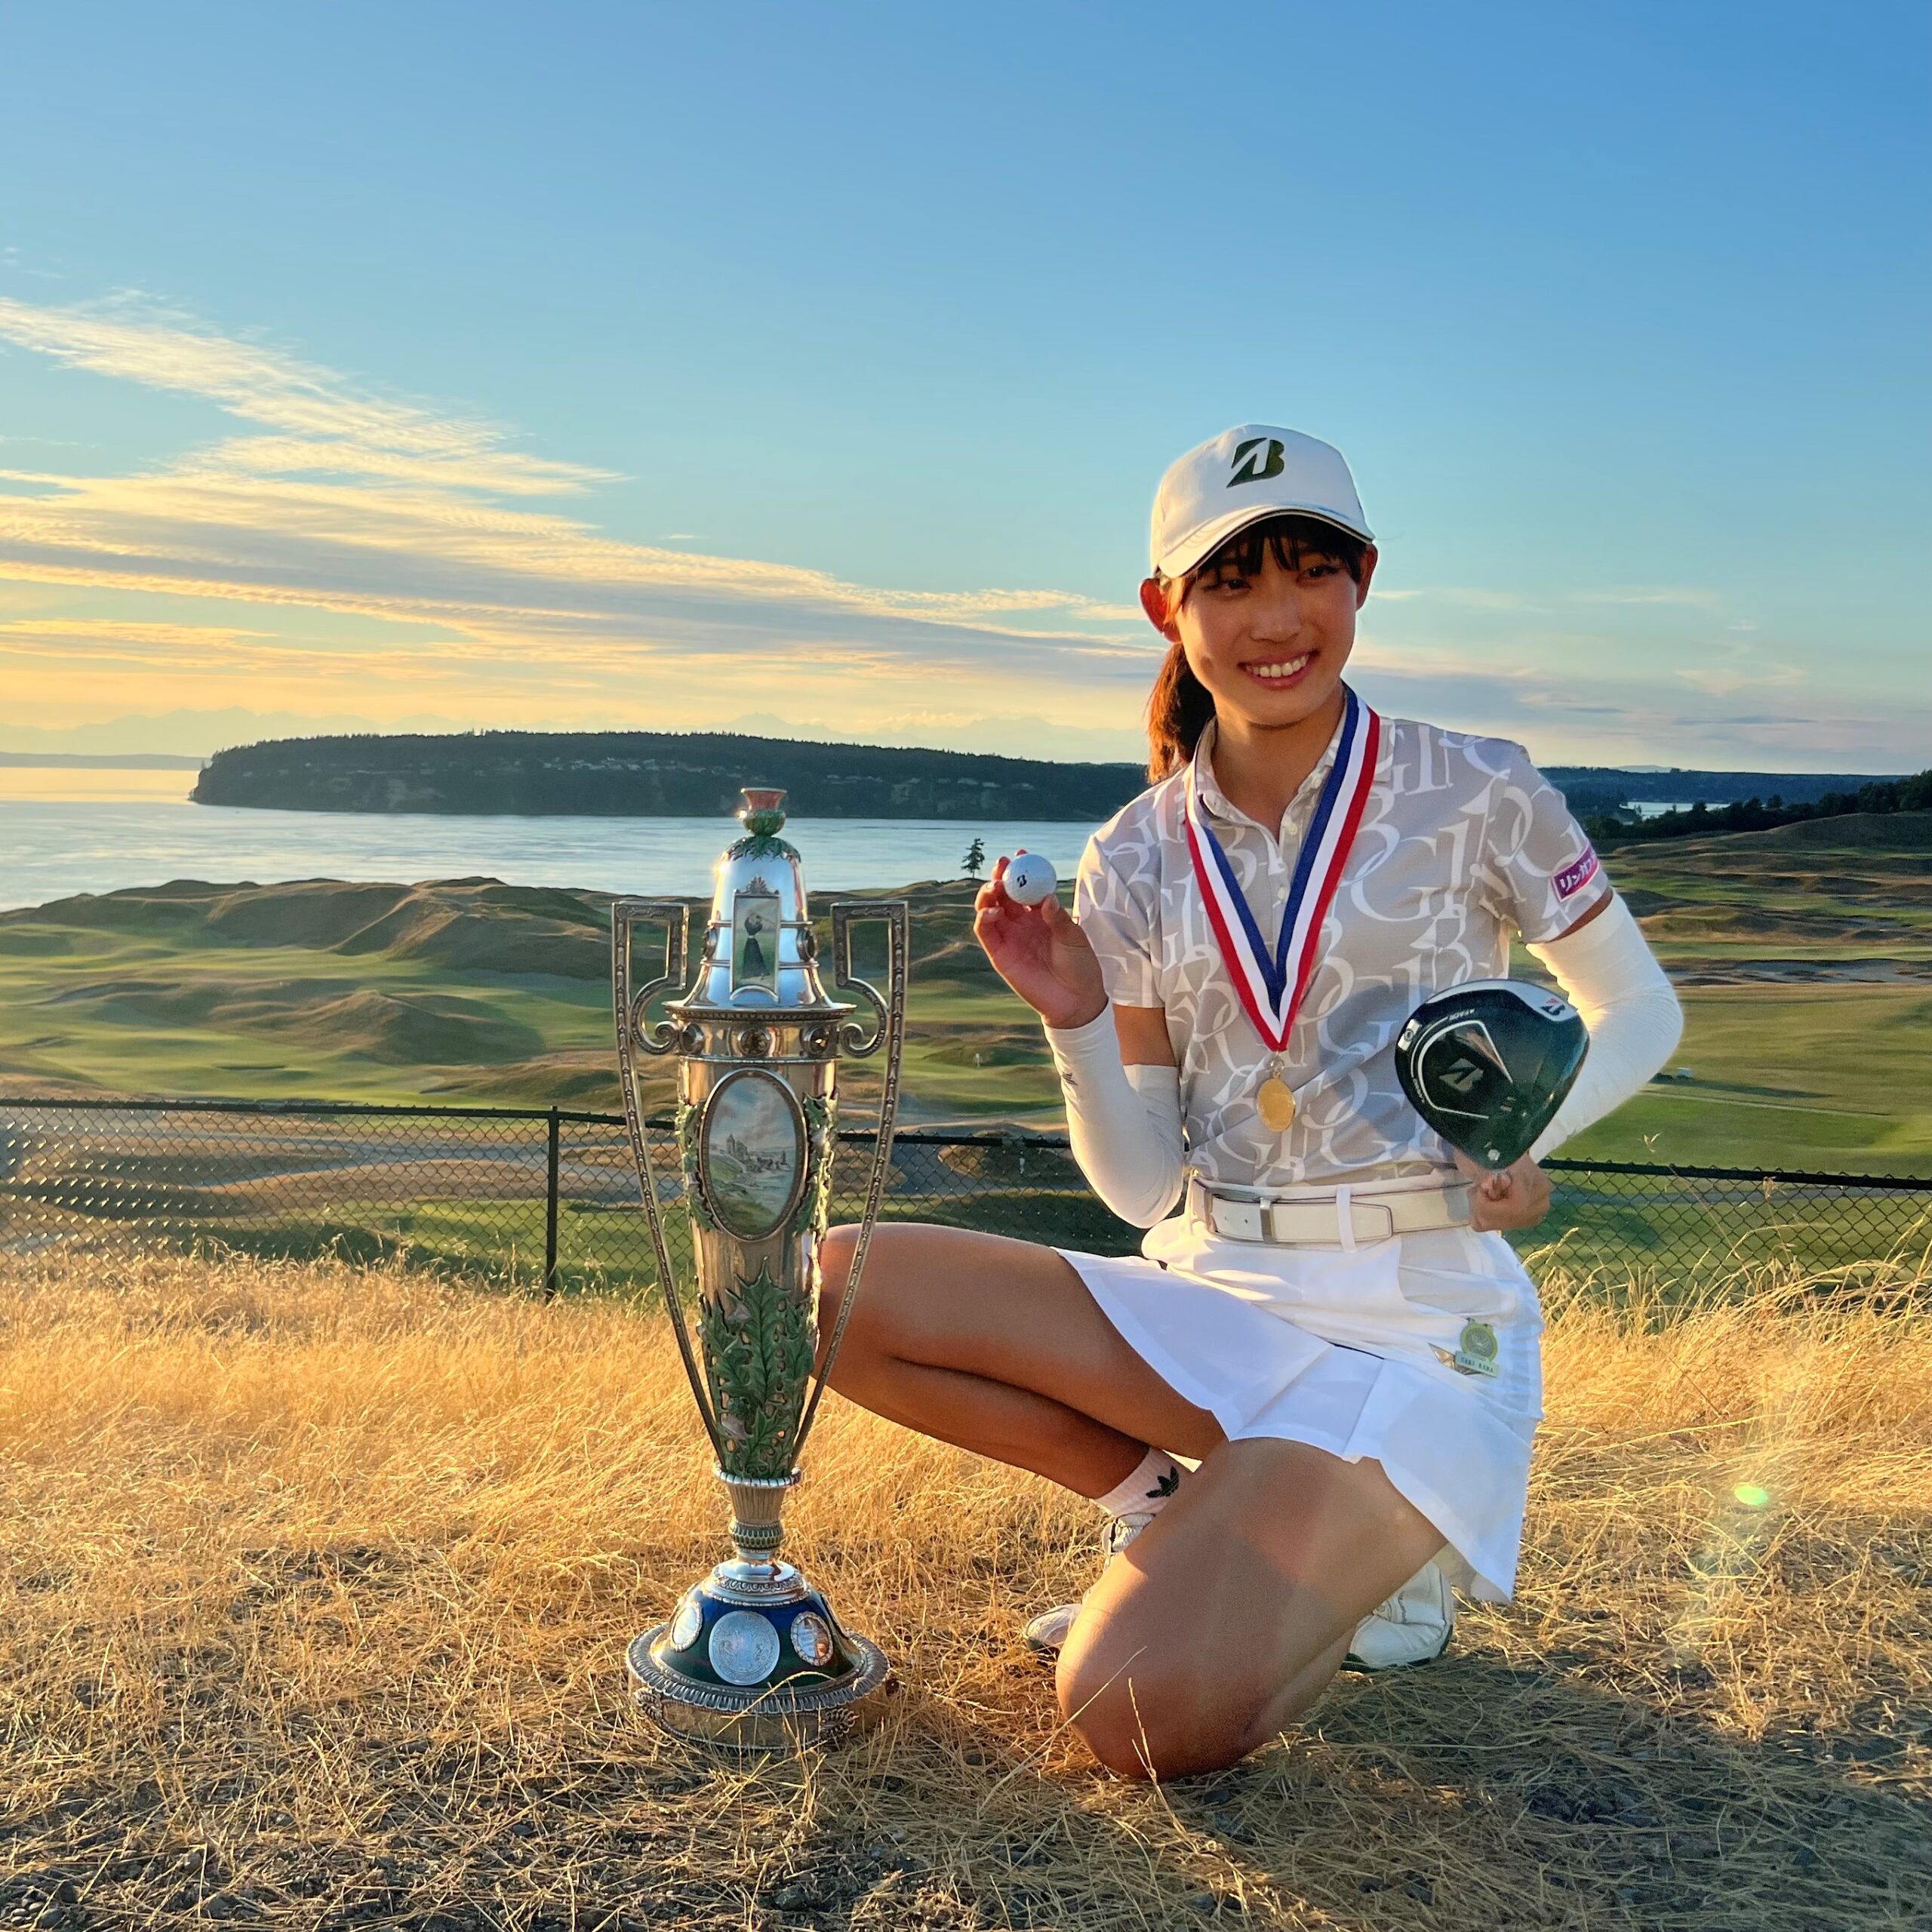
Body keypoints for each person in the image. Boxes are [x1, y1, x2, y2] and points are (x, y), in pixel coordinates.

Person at [817, 425, 1682, 1779]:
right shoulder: (1137, 852)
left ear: (1364, 581)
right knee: (830, 1292)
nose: (1277, 621)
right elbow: (1143, 1188)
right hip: (1215, 1291)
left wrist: (1523, 1140)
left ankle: (1374, 1565)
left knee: (1133, 1714)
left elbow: (1642, 1011)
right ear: (1168, 607)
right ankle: (1157, 1501)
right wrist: (1080, 1020)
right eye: (1231, 584)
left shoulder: (1481, 789)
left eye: (1311, 574)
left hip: (1412, 1324)